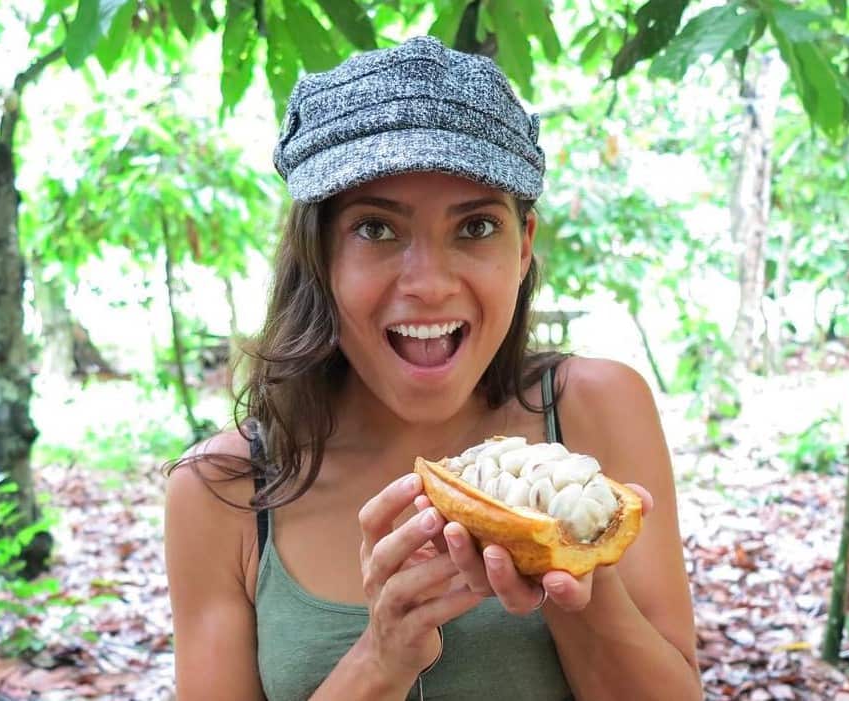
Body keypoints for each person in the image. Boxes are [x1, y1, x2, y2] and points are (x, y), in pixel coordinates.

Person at [164, 36, 700, 701]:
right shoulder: (223, 492)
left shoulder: (594, 408)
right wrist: (380, 657)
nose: (428, 284)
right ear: (319, 252)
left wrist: (567, 570)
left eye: (474, 227)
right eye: (376, 229)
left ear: (524, 244)